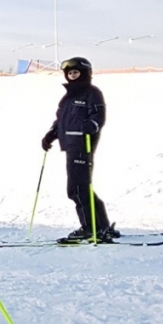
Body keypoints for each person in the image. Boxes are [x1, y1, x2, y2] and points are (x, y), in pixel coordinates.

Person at [41, 57, 119, 243]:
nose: (72, 76)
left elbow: (98, 116)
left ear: (84, 74)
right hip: (70, 146)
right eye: (70, 73)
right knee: (81, 187)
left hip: (83, 145)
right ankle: (101, 227)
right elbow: (61, 120)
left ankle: (90, 228)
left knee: (77, 188)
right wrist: (51, 134)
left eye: (76, 72)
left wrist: (91, 125)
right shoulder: (67, 98)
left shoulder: (92, 93)